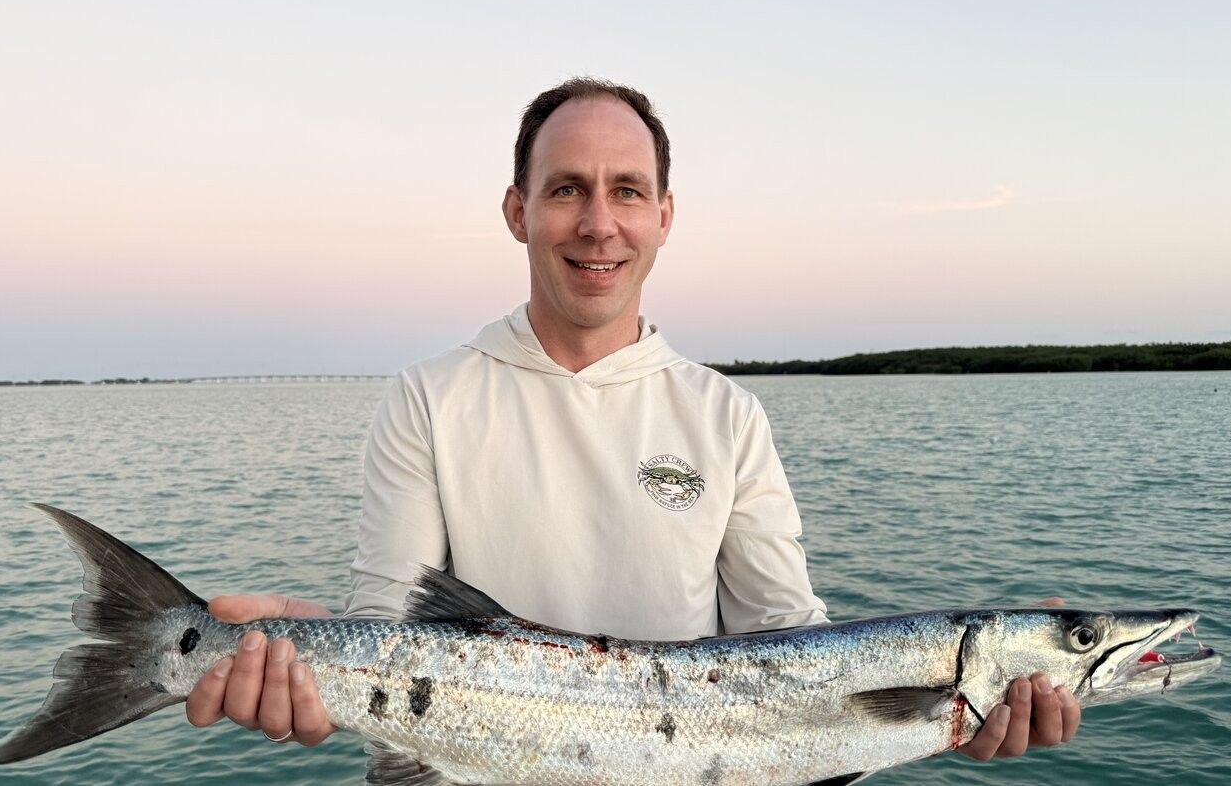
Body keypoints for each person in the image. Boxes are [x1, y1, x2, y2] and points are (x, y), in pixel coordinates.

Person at [184, 78, 1081, 762]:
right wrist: (310, 661)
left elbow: (793, 637)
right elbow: (390, 620)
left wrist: (951, 710)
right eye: (568, 188)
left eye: (626, 191)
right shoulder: (429, 396)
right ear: (517, 211)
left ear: (664, 216)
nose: (598, 224)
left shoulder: (726, 414)